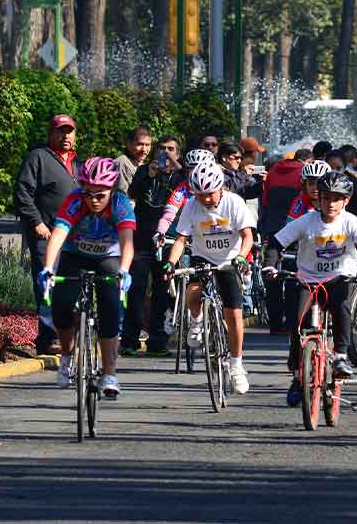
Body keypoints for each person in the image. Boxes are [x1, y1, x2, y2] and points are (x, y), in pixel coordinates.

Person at [265, 171, 357, 406]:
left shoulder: (350, 221)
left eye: (337, 199)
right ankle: (298, 377)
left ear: (346, 200)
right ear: (319, 199)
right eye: (326, 198)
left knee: (342, 307)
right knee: (298, 323)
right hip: (307, 279)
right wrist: (269, 265)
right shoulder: (307, 221)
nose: (331, 204)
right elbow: (276, 243)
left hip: (338, 279)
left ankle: (340, 355)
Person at [38, 158, 134, 398]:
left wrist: (124, 270)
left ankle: (109, 373)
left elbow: (127, 242)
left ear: (111, 190)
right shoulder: (74, 200)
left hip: (108, 257)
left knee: (110, 305)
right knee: (61, 304)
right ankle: (67, 358)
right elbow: (58, 236)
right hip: (76, 255)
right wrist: (48, 268)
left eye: (100, 195)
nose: (93, 200)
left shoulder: (120, 203)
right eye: (88, 193)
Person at [162, 160, 255, 394]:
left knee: (233, 314)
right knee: (192, 294)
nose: (205, 199)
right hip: (203, 258)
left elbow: (247, 236)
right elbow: (181, 239)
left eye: (210, 194)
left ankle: (236, 365)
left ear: (221, 187)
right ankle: (197, 320)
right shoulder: (192, 205)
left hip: (230, 260)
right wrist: (170, 263)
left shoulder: (234, 203)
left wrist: (242, 257)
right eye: (200, 194)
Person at [14, 114, 82, 355]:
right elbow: (23, 194)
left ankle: (67, 332)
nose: (65, 136)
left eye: (69, 131)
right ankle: (48, 337)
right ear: (51, 134)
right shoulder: (38, 157)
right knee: (47, 284)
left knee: (70, 286)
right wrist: (37, 223)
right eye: (60, 131)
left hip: (73, 238)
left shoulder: (77, 162)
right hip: (46, 235)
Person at [125, 135, 185, 356]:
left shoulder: (181, 176)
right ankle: (129, 340)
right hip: (142, 239)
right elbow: (133, 193)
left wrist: (175, 165)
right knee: (136, 290)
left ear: (178, 154)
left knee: (163, 293)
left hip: (168, 241)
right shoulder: (144, 171)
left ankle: (157, 341)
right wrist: (149, 174)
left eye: (171, 149)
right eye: (162, 149)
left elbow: (190, 184)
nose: (165, 153)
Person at [259, 149, 306, 334]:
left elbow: (265, 201)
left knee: (272, 275)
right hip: (294, 227)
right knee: (293, 275)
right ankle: (292, 321)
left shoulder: (272, 172)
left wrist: (264, 227)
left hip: (272, 228)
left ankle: (275, 323)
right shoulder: (304, 171)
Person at [115, 126, 152, 194]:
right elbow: (123, 197)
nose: (144, 149)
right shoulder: (122, 163)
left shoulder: (148, 167)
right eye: (139, 144)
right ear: (129, 144)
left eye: (147, 145)